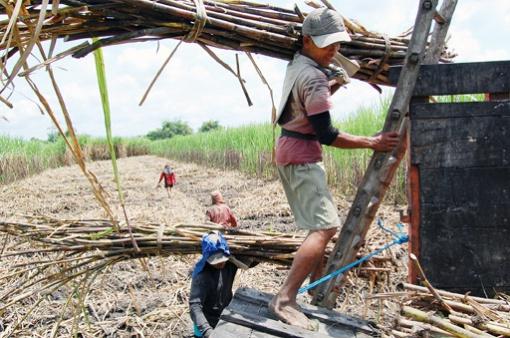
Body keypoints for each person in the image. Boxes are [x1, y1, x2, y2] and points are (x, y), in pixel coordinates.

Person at [268, 8, 399, 330]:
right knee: (325, 228)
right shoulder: (313, 76)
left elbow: (303, 107)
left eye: (338, 44)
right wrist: (373, 142)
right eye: (327, 44)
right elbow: (327, 134)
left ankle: (313, 284)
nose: (334, 51)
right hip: (301, 156)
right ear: (307, 40)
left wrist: (334, 83)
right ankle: (284, 299)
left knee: (322, 225)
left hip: (292, 150)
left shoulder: (300, 63)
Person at [189, 231, 255, 337]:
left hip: (224, 315)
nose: (220, 263)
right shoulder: (202, 276)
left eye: (222, 259)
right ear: (207, 258)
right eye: (215, 260)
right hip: (206, 321)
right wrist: (207, 331)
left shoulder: (230, 264)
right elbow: (195, 307)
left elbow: (252, 262)